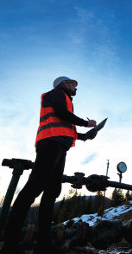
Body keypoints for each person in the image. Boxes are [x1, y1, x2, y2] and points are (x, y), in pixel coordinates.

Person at [0, 76, 98, 254]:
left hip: (58, 145)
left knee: (52, 191)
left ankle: (43, 244)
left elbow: (65, 125)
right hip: (50, 144)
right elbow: (61, 114)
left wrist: (85, 136)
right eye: (73, 84)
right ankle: (10, 243)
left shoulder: (64, 99)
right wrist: (86, 123)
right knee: (34, 187)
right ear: (63, 84)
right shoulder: (57, 94)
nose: (75, 87)